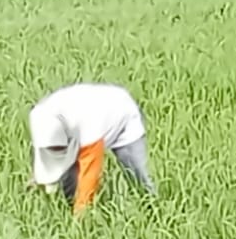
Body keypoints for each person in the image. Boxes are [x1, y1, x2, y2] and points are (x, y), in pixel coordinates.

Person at [28, 83, 154, 215]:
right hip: (77, 125)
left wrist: (81, 216)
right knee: (68, 178)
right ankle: (66, 211)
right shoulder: (40, 116)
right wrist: (39, 177)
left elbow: (90, 174)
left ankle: (152, 212)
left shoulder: (88, 127)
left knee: (137, 175)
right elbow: (44, 154)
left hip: (123, 115)